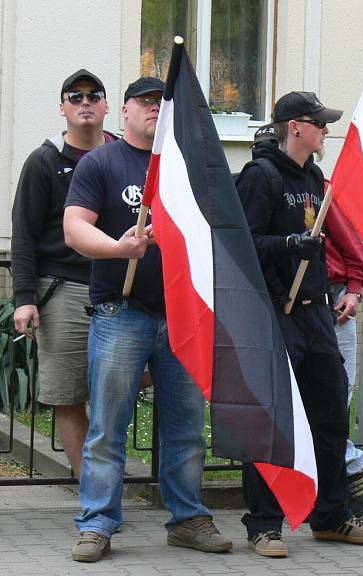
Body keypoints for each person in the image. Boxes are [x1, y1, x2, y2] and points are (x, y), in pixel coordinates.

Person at [63, 77, 232, 562]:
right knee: (108, 427)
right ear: (125, 111)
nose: (154, 108)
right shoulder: (102, 162)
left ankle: (188, 519)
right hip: (121, 312)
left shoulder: (188, 167)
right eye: (145, 102)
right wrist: (120, 247)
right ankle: (97, 523)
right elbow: (75, 228)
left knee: (185, 427)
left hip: (181, 316)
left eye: (162, 102)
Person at [235, 91, 363, 558]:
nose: (326, 131)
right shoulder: (261, 176)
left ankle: (332, 515)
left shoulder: (315, 176)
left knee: (330, 415)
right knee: (273, 420)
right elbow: (243, 245)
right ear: (295, 126)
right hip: (277, 311)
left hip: (316, 310)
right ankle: (263, 525)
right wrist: (288, 245)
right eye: (319, 123)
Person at [11, 69, 117, 480]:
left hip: (119, 289)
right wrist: (24, 298)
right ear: (63, 108)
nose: (85, 102)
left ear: (108, 106)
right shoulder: (43, 162)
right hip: (63, 289)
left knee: (123, 386)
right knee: (68, 395)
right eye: (75, 97)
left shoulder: (124, 156)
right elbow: (24, 235)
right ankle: (93, 488)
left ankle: (107, 482)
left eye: (94, 95)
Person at [324, 200, 363, 518]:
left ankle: (349, 467)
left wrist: (354, 290)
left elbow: (354, 249)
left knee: (336, 396)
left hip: (334, 298)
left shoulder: (320, 190)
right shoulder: (258, 185)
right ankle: (353, 462)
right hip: (286, 299)